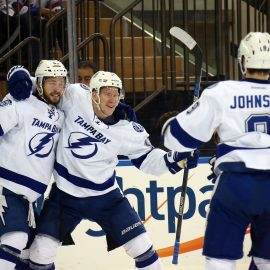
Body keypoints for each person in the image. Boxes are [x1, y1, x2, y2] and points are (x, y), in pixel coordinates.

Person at [10, 69, 199, 269]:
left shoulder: (128, 129)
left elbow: (148, 159)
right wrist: (22, 77)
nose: (112, 99)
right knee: (41, 252)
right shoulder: (75, 97)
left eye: (116, 94)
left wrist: (175, 159)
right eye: (107, 93)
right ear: (93, 94)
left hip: (107, 198)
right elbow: (49, 87)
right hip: (65, 197)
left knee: (142, 247)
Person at [162, 31, 270, 270]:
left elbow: (173, 138)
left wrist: (190, 115)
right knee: (266, 260)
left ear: (242, 62)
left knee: (220, 260)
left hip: (236, 185)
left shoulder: (221, 92)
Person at [0, 60, 67, 270]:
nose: (57, 88)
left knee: (36, 254)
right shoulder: (21, 101)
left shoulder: (61, 114)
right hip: (5, 189)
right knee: (16, 239)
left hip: (27, 200)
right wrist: (17, 72)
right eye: (51, 82)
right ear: (38, 83)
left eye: (61, 82)